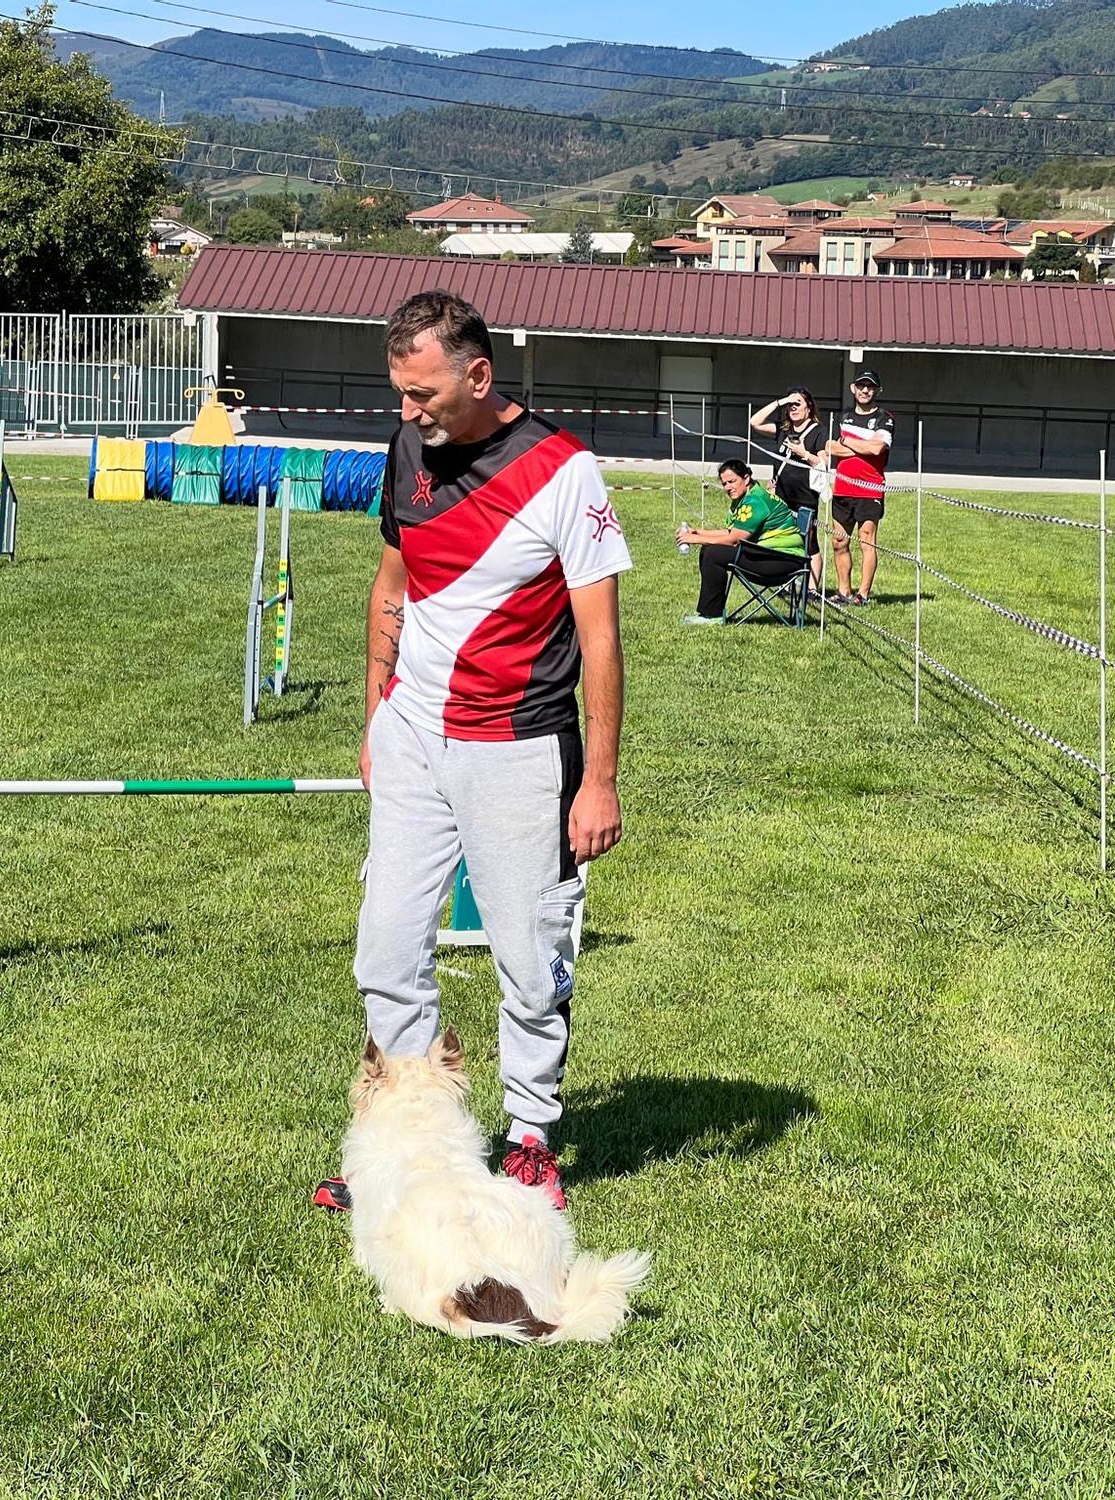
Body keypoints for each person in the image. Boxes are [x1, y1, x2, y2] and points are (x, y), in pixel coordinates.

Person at [312, 289, 630, 1217]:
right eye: (398, 395)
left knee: (528, 961)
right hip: (413, 735)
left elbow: (602, 639)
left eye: (422, 395)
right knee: (385, 950)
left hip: (520, 746)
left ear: (478, 375)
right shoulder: (406, 450)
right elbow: (392, 581)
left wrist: (599, 780)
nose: (406, 414)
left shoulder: (565, 473)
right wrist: (377, 710)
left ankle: (530, 1138)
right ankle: (417, 1149)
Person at [675, 460, 809, 625]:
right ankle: (710, 612)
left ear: (746, 479)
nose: (727, 487)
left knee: (712, 553)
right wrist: (698, 532)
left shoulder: (756, 502)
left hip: (783, 561)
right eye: (724, 483)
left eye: (732, 481)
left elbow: (734, 540)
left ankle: (711, 615)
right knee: (710, 549)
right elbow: (732, 532)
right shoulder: (746, 497)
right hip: (773, 555)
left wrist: (696, 539)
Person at [823, 371, 894, 606]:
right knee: (839, 542)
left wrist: (847, 442)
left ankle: (863, 595)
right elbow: (831, 447)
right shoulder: (842, 417)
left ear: (878, 391)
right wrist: (859, 445)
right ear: (853, 389)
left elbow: (877, 450)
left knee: (867, 541)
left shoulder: (885, 418)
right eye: (861, 386)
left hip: (869, 489)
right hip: (843, 487)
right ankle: (844, 591)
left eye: (870, 387)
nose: (865, 391)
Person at [750, 387, 826, 593]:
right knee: (785, 537)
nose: (793, 408)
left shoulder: (818, 431)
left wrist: (804, 453)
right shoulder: (783, 430)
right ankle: (787, 580)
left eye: (798, 404)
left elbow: (823, 462)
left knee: (809, 541)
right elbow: (754, 422)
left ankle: (811, 588)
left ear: (809, 408)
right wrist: (780, 401)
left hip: (805, 496)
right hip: (782, 495)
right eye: (790, 406)